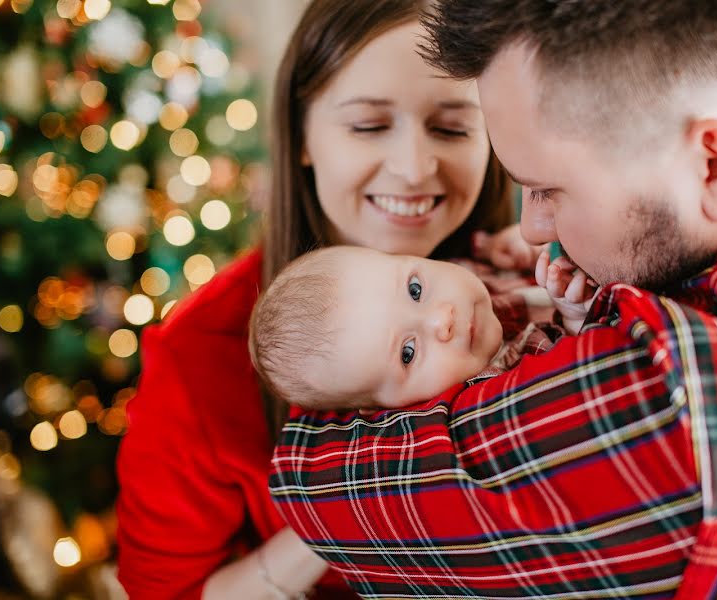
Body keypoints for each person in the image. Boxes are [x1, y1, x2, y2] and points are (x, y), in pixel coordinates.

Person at [269, 1, 717, 598]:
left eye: (547, 189)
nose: (531, 229)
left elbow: (312, 484)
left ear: (716, 167)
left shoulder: (682, 397)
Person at [114, 0, 527, 597]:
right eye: (368, 125)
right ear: (302, 133)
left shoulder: (533, 264)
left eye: (453, 127)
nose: (414, 169)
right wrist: (345, 502)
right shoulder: (200, 359)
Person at [249, 245, 589, 412]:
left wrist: (519, 249)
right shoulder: (493, 392)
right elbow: (577, 369)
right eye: (407, 353)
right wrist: (574, 317)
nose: (442, 320)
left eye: (415, 290)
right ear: (389, 407)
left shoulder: (472, 268)